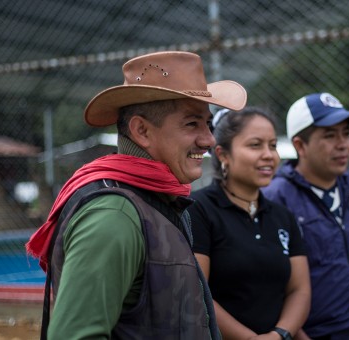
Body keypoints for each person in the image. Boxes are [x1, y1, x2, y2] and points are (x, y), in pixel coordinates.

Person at [25, 51, 247, 339]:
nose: (209, 139)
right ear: (141, 130)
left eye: (207, 123)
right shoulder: (114, 215)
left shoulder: (155, 200)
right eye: (192, 124)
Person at [263, 92, 349, 340]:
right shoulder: (276, 198)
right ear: (300, 145)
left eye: (345, 133)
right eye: (330, 135)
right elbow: (269, 282)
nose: (343, 144)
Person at [187, 107, 311, 340]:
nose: (269, 155)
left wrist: (280, 334)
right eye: (255, 145)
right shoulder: (198, 209)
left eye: (272, 145)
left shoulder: (282, 216)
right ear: (223, 154)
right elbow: (197, 291)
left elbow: (299, 290)